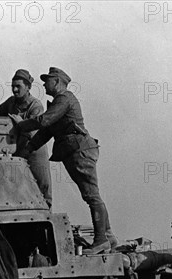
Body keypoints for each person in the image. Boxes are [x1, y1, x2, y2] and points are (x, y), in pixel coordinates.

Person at [10, 67, 116, 254]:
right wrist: (24, 153)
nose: (44, 84)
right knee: (90, 195)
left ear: (57, 82)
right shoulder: (58, 103)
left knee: (91, 195)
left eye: (47, 80)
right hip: (75, 152)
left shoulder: (64, 99)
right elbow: (45, 133)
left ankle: (101, 240)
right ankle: (108, 238)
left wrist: (21, 124)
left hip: (80, 151)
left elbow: (43, 121)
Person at [0, 69, 52, 207]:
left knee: (42, 185)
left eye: (18, 86)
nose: (15, 90)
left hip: (35, 150)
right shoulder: (11, 103)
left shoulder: (35, 105)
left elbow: (34, 129)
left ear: (28, 87)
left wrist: (20, 122)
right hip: (18, 149)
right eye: (13, 86)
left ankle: (47, 211)